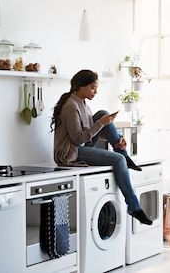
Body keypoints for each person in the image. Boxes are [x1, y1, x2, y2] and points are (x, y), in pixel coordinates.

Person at [51, 69, 152, 225]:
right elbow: (78, 139)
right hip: (70, 153)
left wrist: (115, 135)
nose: (96, 92)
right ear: (80, 86)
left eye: (96, 88)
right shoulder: (71, 106)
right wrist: (102, 123)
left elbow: (91, 131)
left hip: (81, 145)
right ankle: (134, 207)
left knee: (103, 114)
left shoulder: (83, 103)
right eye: (92, 88)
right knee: (118, 160)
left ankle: (121, 148)